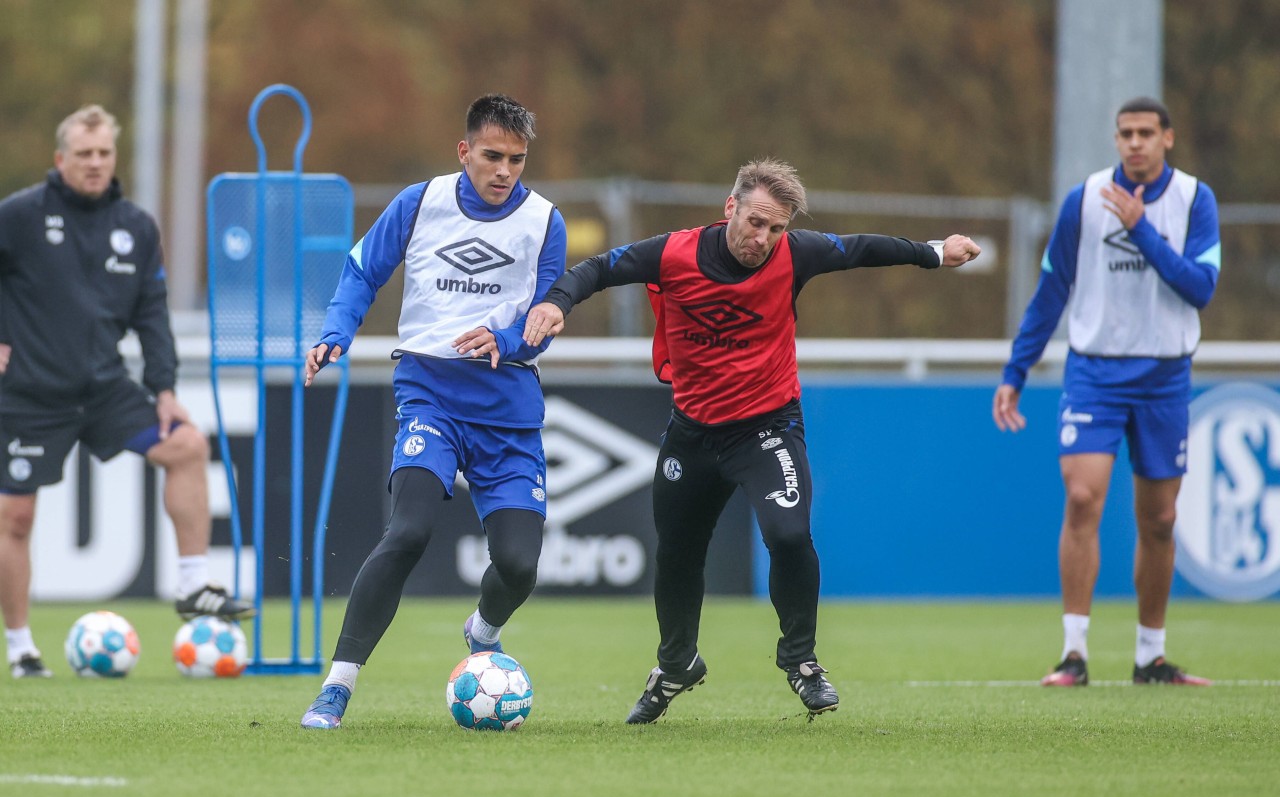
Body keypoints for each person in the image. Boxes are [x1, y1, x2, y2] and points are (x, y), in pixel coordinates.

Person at [522, 159, 981, 722]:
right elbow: (598, 269)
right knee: (677, 556)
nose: (763, 239)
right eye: (756, 222)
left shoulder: (796, 255)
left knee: (789, 534)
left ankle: (802, 661)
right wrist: (556, 302)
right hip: (691, 433)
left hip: (767, 428)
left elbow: (862, 248)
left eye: (776, 229)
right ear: (730, 208)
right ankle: (675, 665)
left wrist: (935, 252)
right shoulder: (673, 254)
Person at [299, 93, 566, 729]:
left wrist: (505, 341)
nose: (504, 171)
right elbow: (363, 270)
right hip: (430, 393)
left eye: (517, 160)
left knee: (520, 565)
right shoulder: (420, 203)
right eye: (492, 156)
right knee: (409, 530)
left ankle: (484, 628)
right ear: (464, 150)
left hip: (508, 405)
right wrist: (337, 330)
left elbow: (548, 313)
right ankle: (337, 687)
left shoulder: (545, 221)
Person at [0, 104, 254, 679]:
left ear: (114, 157)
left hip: (104, 388)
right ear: (60, 159)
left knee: (186, 445)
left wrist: (163, 388)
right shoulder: (18, 216)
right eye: (83, 154)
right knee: (15, 517)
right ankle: (21, 648)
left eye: (103, 153)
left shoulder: (135, 227)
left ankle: (193, 584)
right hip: (32, 394)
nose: (94, 163)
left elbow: (151, 314)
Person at [993, 96, 1219, 687]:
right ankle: (1074, 654)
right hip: (1095, 371)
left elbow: (1199, 287)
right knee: (1083, 497)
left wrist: (1141, 231)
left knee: (1161, 518)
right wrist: (1016, 371)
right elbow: (1051, 291)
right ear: (1116, 140)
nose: (1135, 143)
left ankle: (1151, 657)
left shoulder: (1196, 200)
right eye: (1126, 133)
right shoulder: (1084, 200)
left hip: (1165, 375)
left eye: (1147, 132)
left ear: (1168, 138)